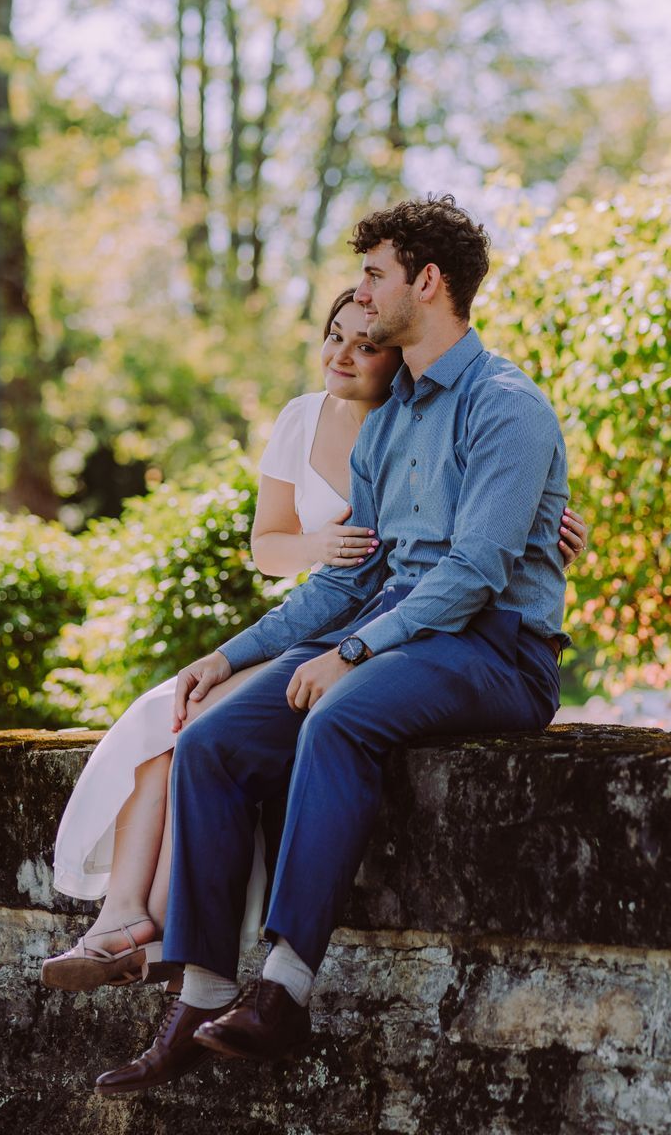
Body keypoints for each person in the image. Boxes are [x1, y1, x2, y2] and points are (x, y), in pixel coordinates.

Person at [94, 193, 572, 1098]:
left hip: (498, 651)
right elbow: (349, 578)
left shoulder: (508, 407)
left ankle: (285, 990)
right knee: (211, 743)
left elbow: (473, 572)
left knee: (339, 719)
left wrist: (352, 655)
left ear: (426, 284)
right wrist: (228, 657)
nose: (359, 293)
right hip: (397, 638)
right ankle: (201, 992)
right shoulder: (389, 421)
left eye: (374, 275)